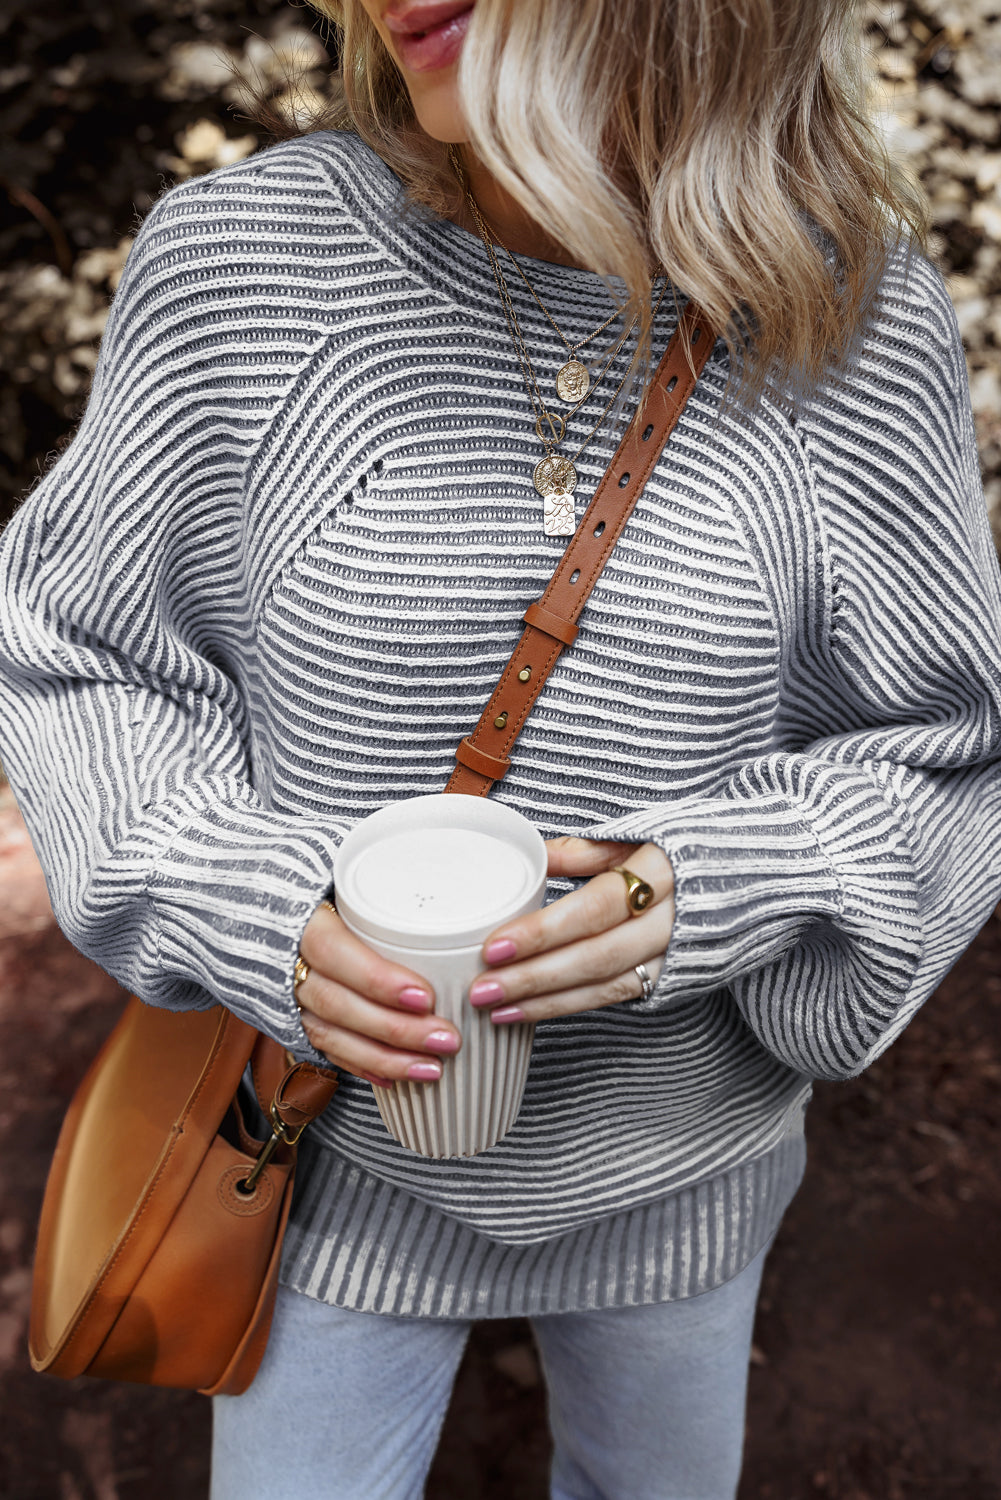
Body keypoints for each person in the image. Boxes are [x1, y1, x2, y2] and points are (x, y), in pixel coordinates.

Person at [2, 0, 1001, 1495]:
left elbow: (943, 752)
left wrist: (708, 886)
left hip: (684, 1169)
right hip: (314, 1160)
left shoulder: (850, 316)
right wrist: (256, 907)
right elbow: (78, 653)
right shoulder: (243, 266)